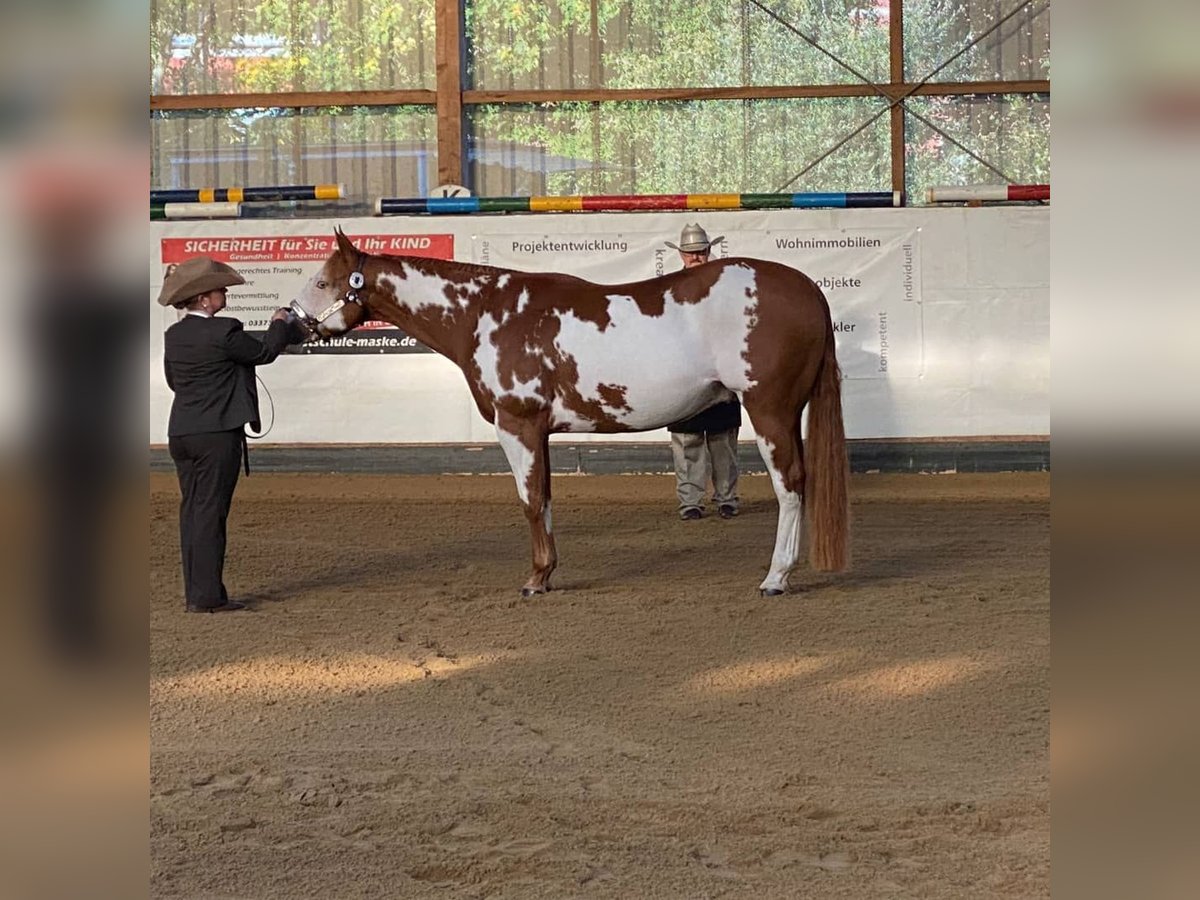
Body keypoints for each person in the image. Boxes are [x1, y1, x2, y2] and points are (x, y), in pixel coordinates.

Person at [159, 257, 302, 613]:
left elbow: (174, 382)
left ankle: (199, 592)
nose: (224, 293)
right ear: (204, 299)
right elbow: (265, 351)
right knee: (210, 514)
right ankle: (206, 597)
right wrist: (279, 323)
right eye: (219, 290)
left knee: (193, 512)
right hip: (216, 435)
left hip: (182, 432)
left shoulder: (174, 335)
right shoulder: (224, 331)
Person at [663, 223, 742, 521]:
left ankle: (727, 497)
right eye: (691, 253)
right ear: (682, 254)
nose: (695, 258)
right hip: (684, 376)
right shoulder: (669, 289)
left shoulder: (725, 288)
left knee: (722, 442)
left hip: (720, 375)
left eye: (700, 252)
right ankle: (691, 501)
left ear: (709, 252)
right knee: (687, 441)